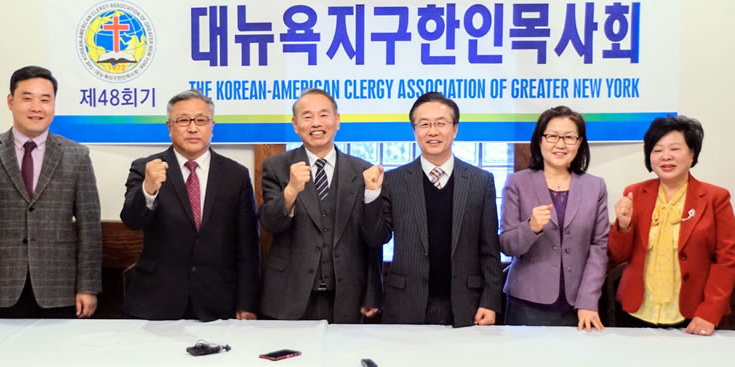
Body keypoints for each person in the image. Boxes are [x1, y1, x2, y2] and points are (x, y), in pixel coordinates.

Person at [0, 65, 101, 318]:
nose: (36, 107)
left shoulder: (76, 155)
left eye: (45, 99)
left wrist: (88, 287)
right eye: (27, 98)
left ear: (54, 105)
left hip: (58, 287)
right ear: (11, 102)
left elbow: (90, 227)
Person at [362, 91, 503, 327]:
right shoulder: (394, 181)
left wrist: (490, 301)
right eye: (424, 124)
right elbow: (376, 238)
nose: (433, 131)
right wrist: (372, 193)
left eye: (441, 123)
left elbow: (490, 249)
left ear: (455, 129)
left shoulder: (481, 181)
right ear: (414, 131)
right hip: (406, 303)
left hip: (466, 304)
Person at [120, 90, 260, 321]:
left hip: (218, 300)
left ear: (212, 126)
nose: (193, 128)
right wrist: (148, 189)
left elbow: (248, 245)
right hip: (156, 299)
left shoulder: (236, 175)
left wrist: (247, 303)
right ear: (169, 127)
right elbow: (132, 220)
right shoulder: (147, 167)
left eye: (201, 120)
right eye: (183, 120)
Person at [259, 88, 382, 323]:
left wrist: (372, 292)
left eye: (324, 115)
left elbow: (372, 240)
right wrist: (291, 191)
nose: (316, 123)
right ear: (295, 125)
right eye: (307, 116)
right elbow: (270, 224)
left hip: (346, 296)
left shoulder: (363, 171)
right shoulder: (276, 166)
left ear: (337, 121)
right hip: (289, 295)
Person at [610, 115, 735, 336]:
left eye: (675, 149)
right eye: (657, 150)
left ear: (692, 153)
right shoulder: (634, 193)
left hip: (692, 314)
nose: (666, 156)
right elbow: (618, 255)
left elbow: (727, 259)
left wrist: (709, 311)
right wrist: (623, 226)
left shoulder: (715, 198)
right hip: (635, 311)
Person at [499, 106, 609, 331]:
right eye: (552, 136)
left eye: (569, 137)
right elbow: (507, 245)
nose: (560, 144)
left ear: (579, 143)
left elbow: (599, 247)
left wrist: (588, 300)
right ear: (540, 140)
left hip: (578, 306)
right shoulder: (517, 183)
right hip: (526, 303)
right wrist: (531, 227)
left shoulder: (595, 186)